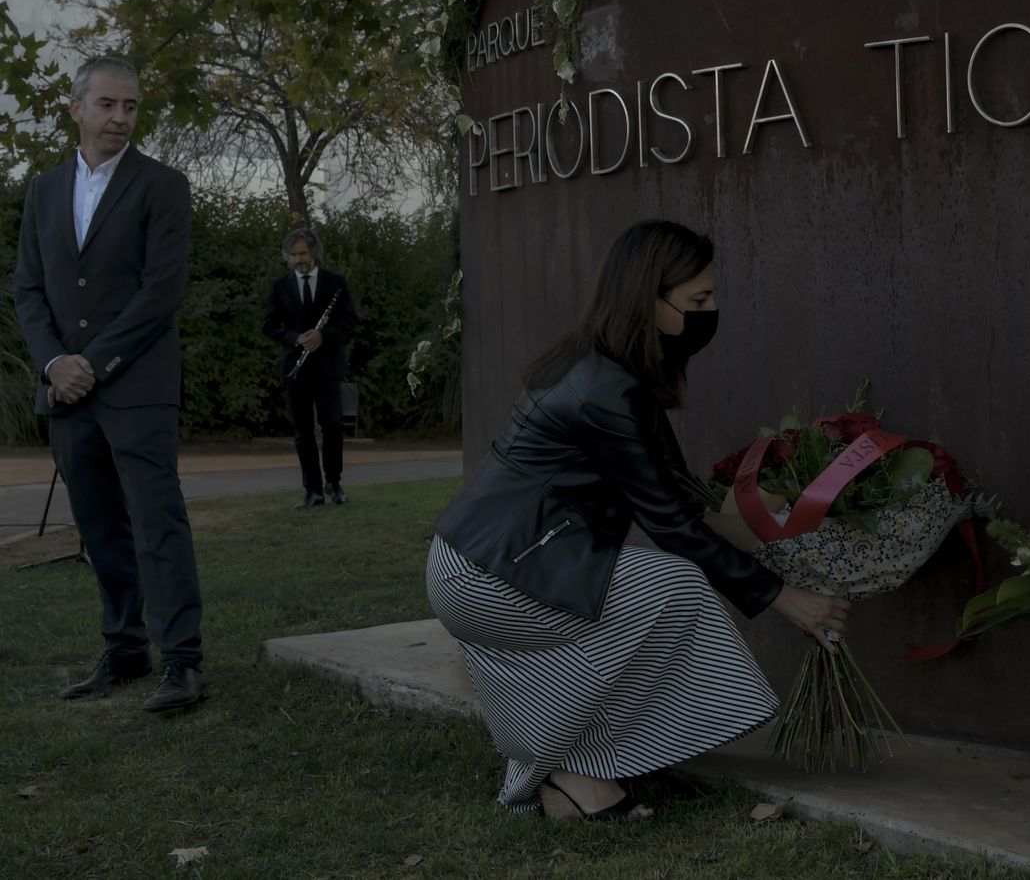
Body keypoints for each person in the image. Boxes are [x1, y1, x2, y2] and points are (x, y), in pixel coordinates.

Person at [427, 219, 849, 820]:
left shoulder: (610, 371)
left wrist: (797, 535)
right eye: (699, 300)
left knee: (651, 600)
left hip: (497, 561)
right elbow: (674, 527)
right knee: (673, 587)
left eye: (713, 295)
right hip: (490, 576)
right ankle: (581, 772)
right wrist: (786, 599)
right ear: (646, 300)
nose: (712, 311)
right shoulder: (605, 389)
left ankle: (579, 772)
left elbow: (684, 500)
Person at [11, 55, 206, 712]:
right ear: (76, 108)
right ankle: (126, 648)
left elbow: (160, 293)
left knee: (158, 523)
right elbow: (29, 289)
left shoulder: (164, 186)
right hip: (65, 393)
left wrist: (90, 361)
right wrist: (52, 363)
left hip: (136, 385)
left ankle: (182, 660)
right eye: (108, 104)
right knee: (98, 528)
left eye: (130, 106)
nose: (121, 117)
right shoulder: (41, 191)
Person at [262, 228, 358, 509]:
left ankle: (334, 483)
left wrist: (323, 335)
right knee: (303, 432)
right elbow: (268, 325)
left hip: (327, 366)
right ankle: (312, 490)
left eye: (302, 253)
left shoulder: (335, 283)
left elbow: (349, 322)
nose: (297, 260)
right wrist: (295, 338)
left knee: (332, 426)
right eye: (292, 255)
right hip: (296, 368)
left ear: (314, 253)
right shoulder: (280, 286)